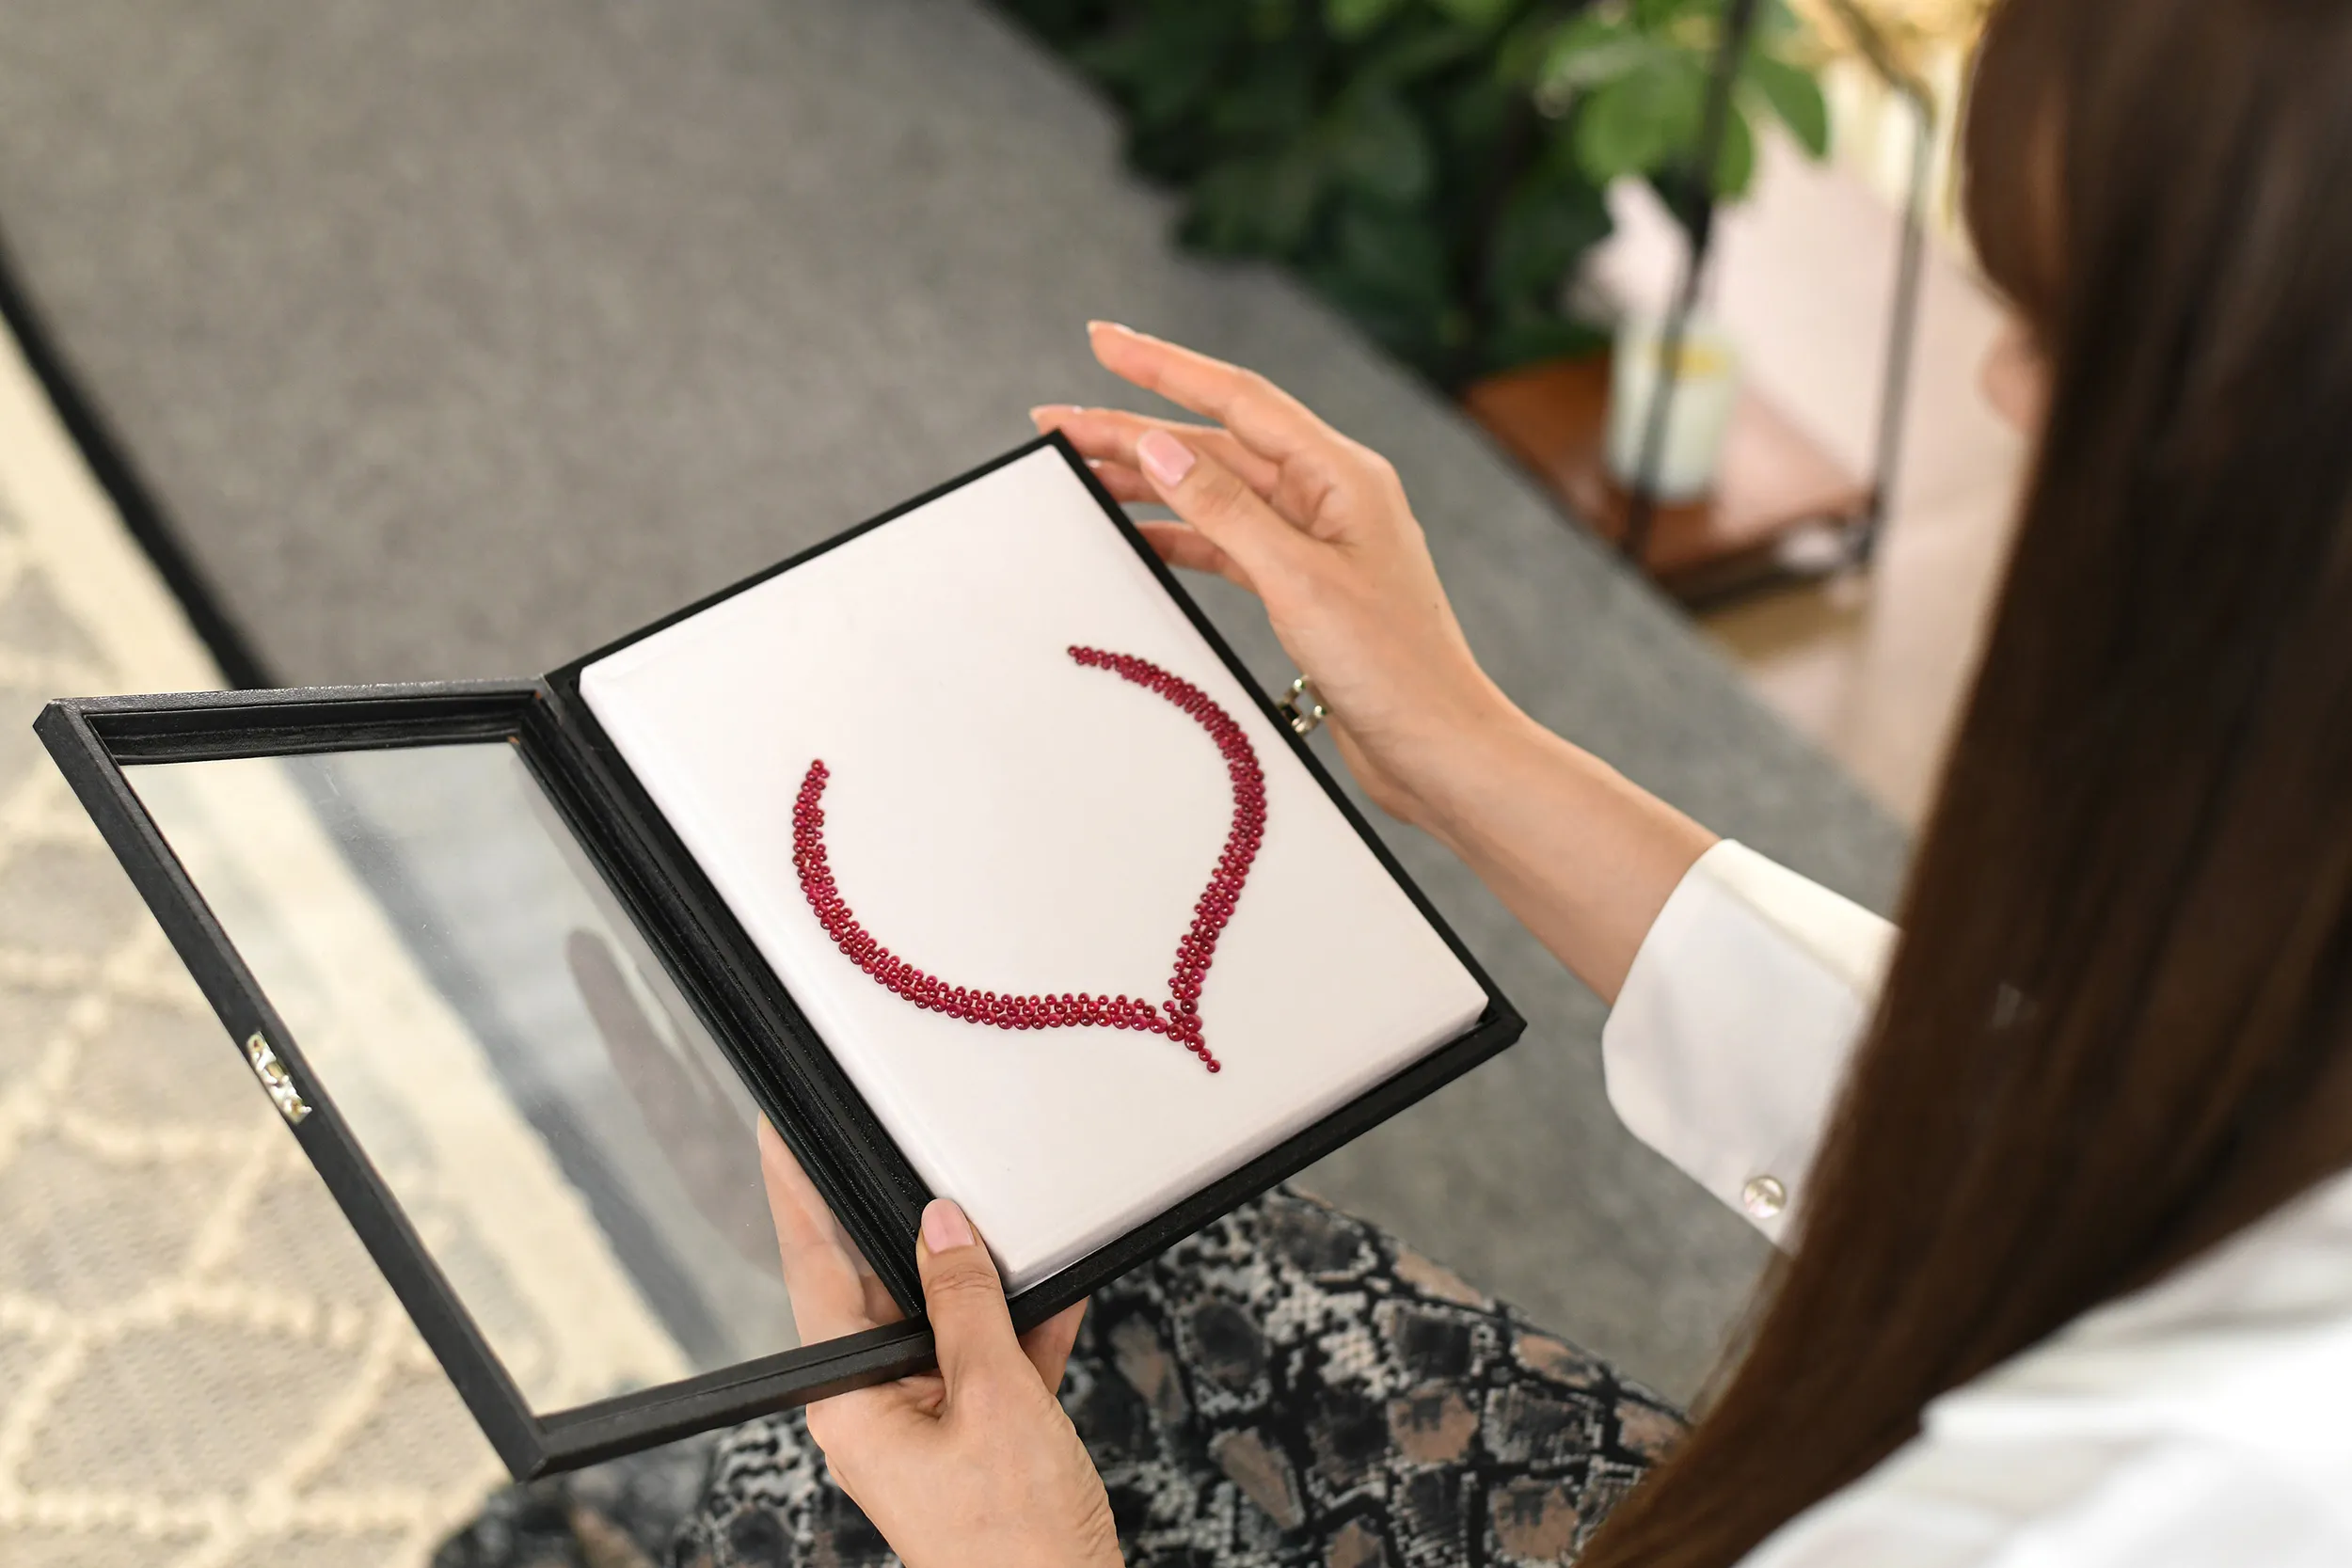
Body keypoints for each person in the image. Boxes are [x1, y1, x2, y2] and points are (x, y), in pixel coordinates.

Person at [437, 0, 2352, 1561]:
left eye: (2059, 328)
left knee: (899, 1436)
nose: (2002, 391)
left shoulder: (2210, 1477)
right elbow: (2025, 1113)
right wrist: (1461, 744)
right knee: (1110, 1278)